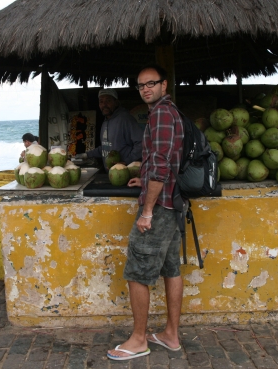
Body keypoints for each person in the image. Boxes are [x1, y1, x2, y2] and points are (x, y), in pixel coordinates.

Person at [107, 65, 184, 361]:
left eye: (151, 83)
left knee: (138, 271)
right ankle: (170, 335)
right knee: (171, 268)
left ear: (165, 84)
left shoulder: (162, 114)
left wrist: (148, 211)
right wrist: (146, 175)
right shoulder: (170, 111)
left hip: (160, 207)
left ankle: (139, 340)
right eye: (140, 85)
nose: (145, 89)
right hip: (173, 203)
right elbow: (161, 161)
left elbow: (163, 163)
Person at [74, 89, 142, 169]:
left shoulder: (125, 119)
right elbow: (105, 147)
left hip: (124, 173)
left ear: (116, 102)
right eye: (101, 102)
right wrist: (86, 155)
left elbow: (142, 143)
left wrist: (126, 161)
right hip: (111, 174)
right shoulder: (105, 121)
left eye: (108, 101)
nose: (104, 105)